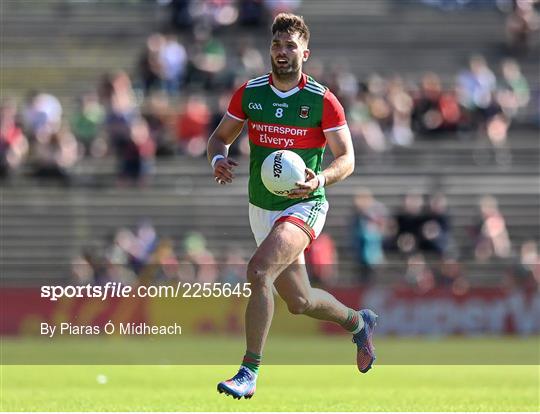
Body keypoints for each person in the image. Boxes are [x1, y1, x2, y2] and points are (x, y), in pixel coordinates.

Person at [206, 13, 378, 400]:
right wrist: (217, 159)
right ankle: (358, 322)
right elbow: (219, 138)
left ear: (305, 51)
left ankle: (248, 372)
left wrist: (319, 179)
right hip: (261, 206)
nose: (282, 52)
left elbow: (347, 158)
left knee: (258, 270)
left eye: (289, 46)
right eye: (276, 45)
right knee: (300, 301)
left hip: (305, 204)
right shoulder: (249, 93)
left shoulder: (322, 100)